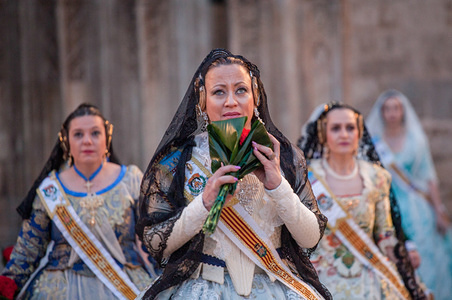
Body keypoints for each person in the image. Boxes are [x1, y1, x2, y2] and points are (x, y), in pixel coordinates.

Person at [135, 48, 331, 300]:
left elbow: (310, 238)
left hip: (273, 287)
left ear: (255, 96)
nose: (231, 101)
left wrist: (277, 185)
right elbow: (154, 242)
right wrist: (204, 204)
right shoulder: (178, 161)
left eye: (241, 90)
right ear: (202, 101)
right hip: (205, 288)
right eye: (219, 92)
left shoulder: (285, 156)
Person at [0, 104, 155, 300]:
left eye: (95, 133)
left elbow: (154, 238)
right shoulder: (51, 188)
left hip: (123, 285)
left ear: (107, 139)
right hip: (59, 289)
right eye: (78, 134)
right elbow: (29, 247)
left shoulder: (130, 180)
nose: (87, 141)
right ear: (66, 142)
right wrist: (8, 285)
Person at [298, 102, 427, 299]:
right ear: (323, 134)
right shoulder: (306, 176)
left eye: (350, 128)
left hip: (370, 276)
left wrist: (403, 259)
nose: (344, 134)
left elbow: (385, 234)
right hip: (321, 278)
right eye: (336, 128)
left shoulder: (377, 177)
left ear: (359, 132)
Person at [367, 90, 452, 299]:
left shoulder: (416, 140)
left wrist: (439, 211)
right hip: (388, 204)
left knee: (425, 256)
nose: (392, 113)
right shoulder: (376, 143)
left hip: (418, 208)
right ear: (382, 113)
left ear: (403, 111)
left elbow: (429, 177)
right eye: (387, 109)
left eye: (396, 108)